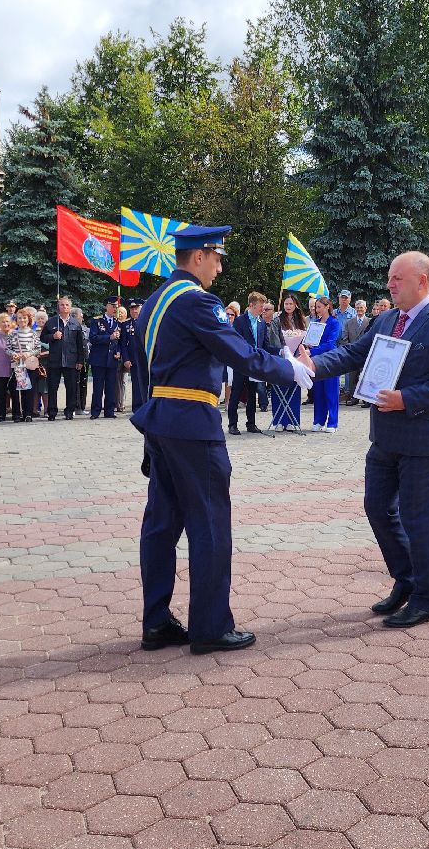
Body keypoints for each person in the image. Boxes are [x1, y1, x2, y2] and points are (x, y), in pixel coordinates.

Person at [130, 224, 313, 654]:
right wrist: (291, 371)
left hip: (160, 421)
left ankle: (156, 622)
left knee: (160, 525)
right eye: (216, 256)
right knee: (210, 524)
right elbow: (239, 353)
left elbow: (144, 375)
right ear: (197, 257)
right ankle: (211, 626)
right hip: (194, 423)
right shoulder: (197, 301)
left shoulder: (155, 302)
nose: (219, 265)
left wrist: (147, 433)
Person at [302, 251, 429, 627]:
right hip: (384, 437)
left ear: (422, 281)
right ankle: (406, 580)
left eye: (398, 278)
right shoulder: (386, 319)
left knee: (419, 520)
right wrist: (313, 365)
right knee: (377, 508)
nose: (390, 284)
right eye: (390, 278)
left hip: (423, 439)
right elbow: (352, 354)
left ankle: (427, 599)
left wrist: (408, 399)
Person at [229, 291, 275, 436]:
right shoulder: (240, 321)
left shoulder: (262, 324)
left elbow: (265, 345)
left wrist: (280, 351)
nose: (263, 309)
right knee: (236, 393)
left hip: (255, 364)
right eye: (261, 306)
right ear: (251, 306)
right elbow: (235, 342)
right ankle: (232, 424)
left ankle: (251, 423)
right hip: (241, 363)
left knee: (252, 394)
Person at [41, 297, 86, 421]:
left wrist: (80, 361)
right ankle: (52, 412)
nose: (64, 307)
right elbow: (43, 337)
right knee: (52, 387)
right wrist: (53, 336)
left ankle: (69, 411)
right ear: (58, 307)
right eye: (62, 305)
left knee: (71, 387)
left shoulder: (75, 323)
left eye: (67, 305)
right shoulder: (51, 322)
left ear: (70, 307)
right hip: (55, 360)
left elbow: (80, 344)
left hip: (71, 360)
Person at [271, 295, 307, 432]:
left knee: (294, 389)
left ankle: (293, 420)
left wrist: (298, 352)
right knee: (279, 390)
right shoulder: (277, 321)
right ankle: (279, 421)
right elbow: (273, 340)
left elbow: (303, 339)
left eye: (291, 304)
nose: (288, 306)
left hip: (296, 359)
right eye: (286, 303)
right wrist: (284, 351)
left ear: (296, 305)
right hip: (281, 359)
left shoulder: (301, 321)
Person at [308, 296, 343, 432]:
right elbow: (311, 340)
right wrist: (309, 345)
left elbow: (330, 344)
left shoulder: (334, 323)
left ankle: (332, 422)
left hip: (330, 360)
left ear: (327, 306)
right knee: (318, 391)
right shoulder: (315, 323)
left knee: (331, 391)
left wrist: (312, 351)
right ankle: (318, 420)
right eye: (316, 307)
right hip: (317, 360)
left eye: (319, 307)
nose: (317, 310)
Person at [88, 297, 123, 420]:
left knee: (111, 386)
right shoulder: (97, 321)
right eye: (113, 306)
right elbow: (93, 338)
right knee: (98, 387)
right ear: (107, 306)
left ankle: (109, 411)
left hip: (112, 359)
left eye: (117, 306)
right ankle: (96, 411)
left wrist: (118, 352)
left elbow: (120, 342)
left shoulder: (118, 322)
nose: (115, 308)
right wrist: (109, 337)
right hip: (99, 358)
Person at [8, 307, 40, 422]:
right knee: (16, 391)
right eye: (19, 318)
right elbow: (7, 349)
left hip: (29, 365)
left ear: (28, 319)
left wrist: (29, 353)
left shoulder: (33, 333)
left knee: (29, 391)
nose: (22, 320)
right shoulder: (13, 334)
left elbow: (38, 349)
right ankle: (17, 415)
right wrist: (13, 354)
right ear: (16, 320)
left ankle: (28, 414)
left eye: (24, 318)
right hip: (17, 365)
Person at [338, 295, 371, 405]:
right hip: (353, 353)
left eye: (361, 308)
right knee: (352, 377)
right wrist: (349, 349)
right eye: (357, 308)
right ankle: (353, 398)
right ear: (355, 309)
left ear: (366, 309)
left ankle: (366, 399)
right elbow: (344, 338)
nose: (359, 310)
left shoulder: (370, 322)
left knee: (364, 377)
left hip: (366, 353)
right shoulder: (349, 322)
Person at [125, 298, 147, 412]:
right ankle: (137, 408)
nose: (134, 311)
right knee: (136, 384)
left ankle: (147, 407)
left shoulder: (148, 322)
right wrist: (126, 359)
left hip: (147, 359)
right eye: (132, 309)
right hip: (134, 359)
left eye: (136, 308)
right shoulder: (126, 324)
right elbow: (123, 344)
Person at [115, 304, 132, 412]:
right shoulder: (114, 324)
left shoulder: (128, 324)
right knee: (117, 381)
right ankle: (117, 402)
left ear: (126, 314)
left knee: (124, 380)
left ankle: (122, 402)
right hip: (116, 356)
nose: (120, 314)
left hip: (126, 356)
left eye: (122, 312)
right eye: (119, 312)